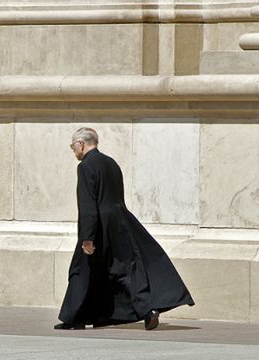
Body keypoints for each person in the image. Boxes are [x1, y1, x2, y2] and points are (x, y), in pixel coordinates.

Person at [55, 127, 194, 330]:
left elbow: (88, 204)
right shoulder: (111, 163)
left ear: (81, 144)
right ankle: (146, 311)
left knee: (81, 269)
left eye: (72, 146)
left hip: (100, 225)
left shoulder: (86, 166)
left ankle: (75, 319)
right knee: (122, 270)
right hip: (120, 222)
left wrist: (87, 237)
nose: (73, 151)